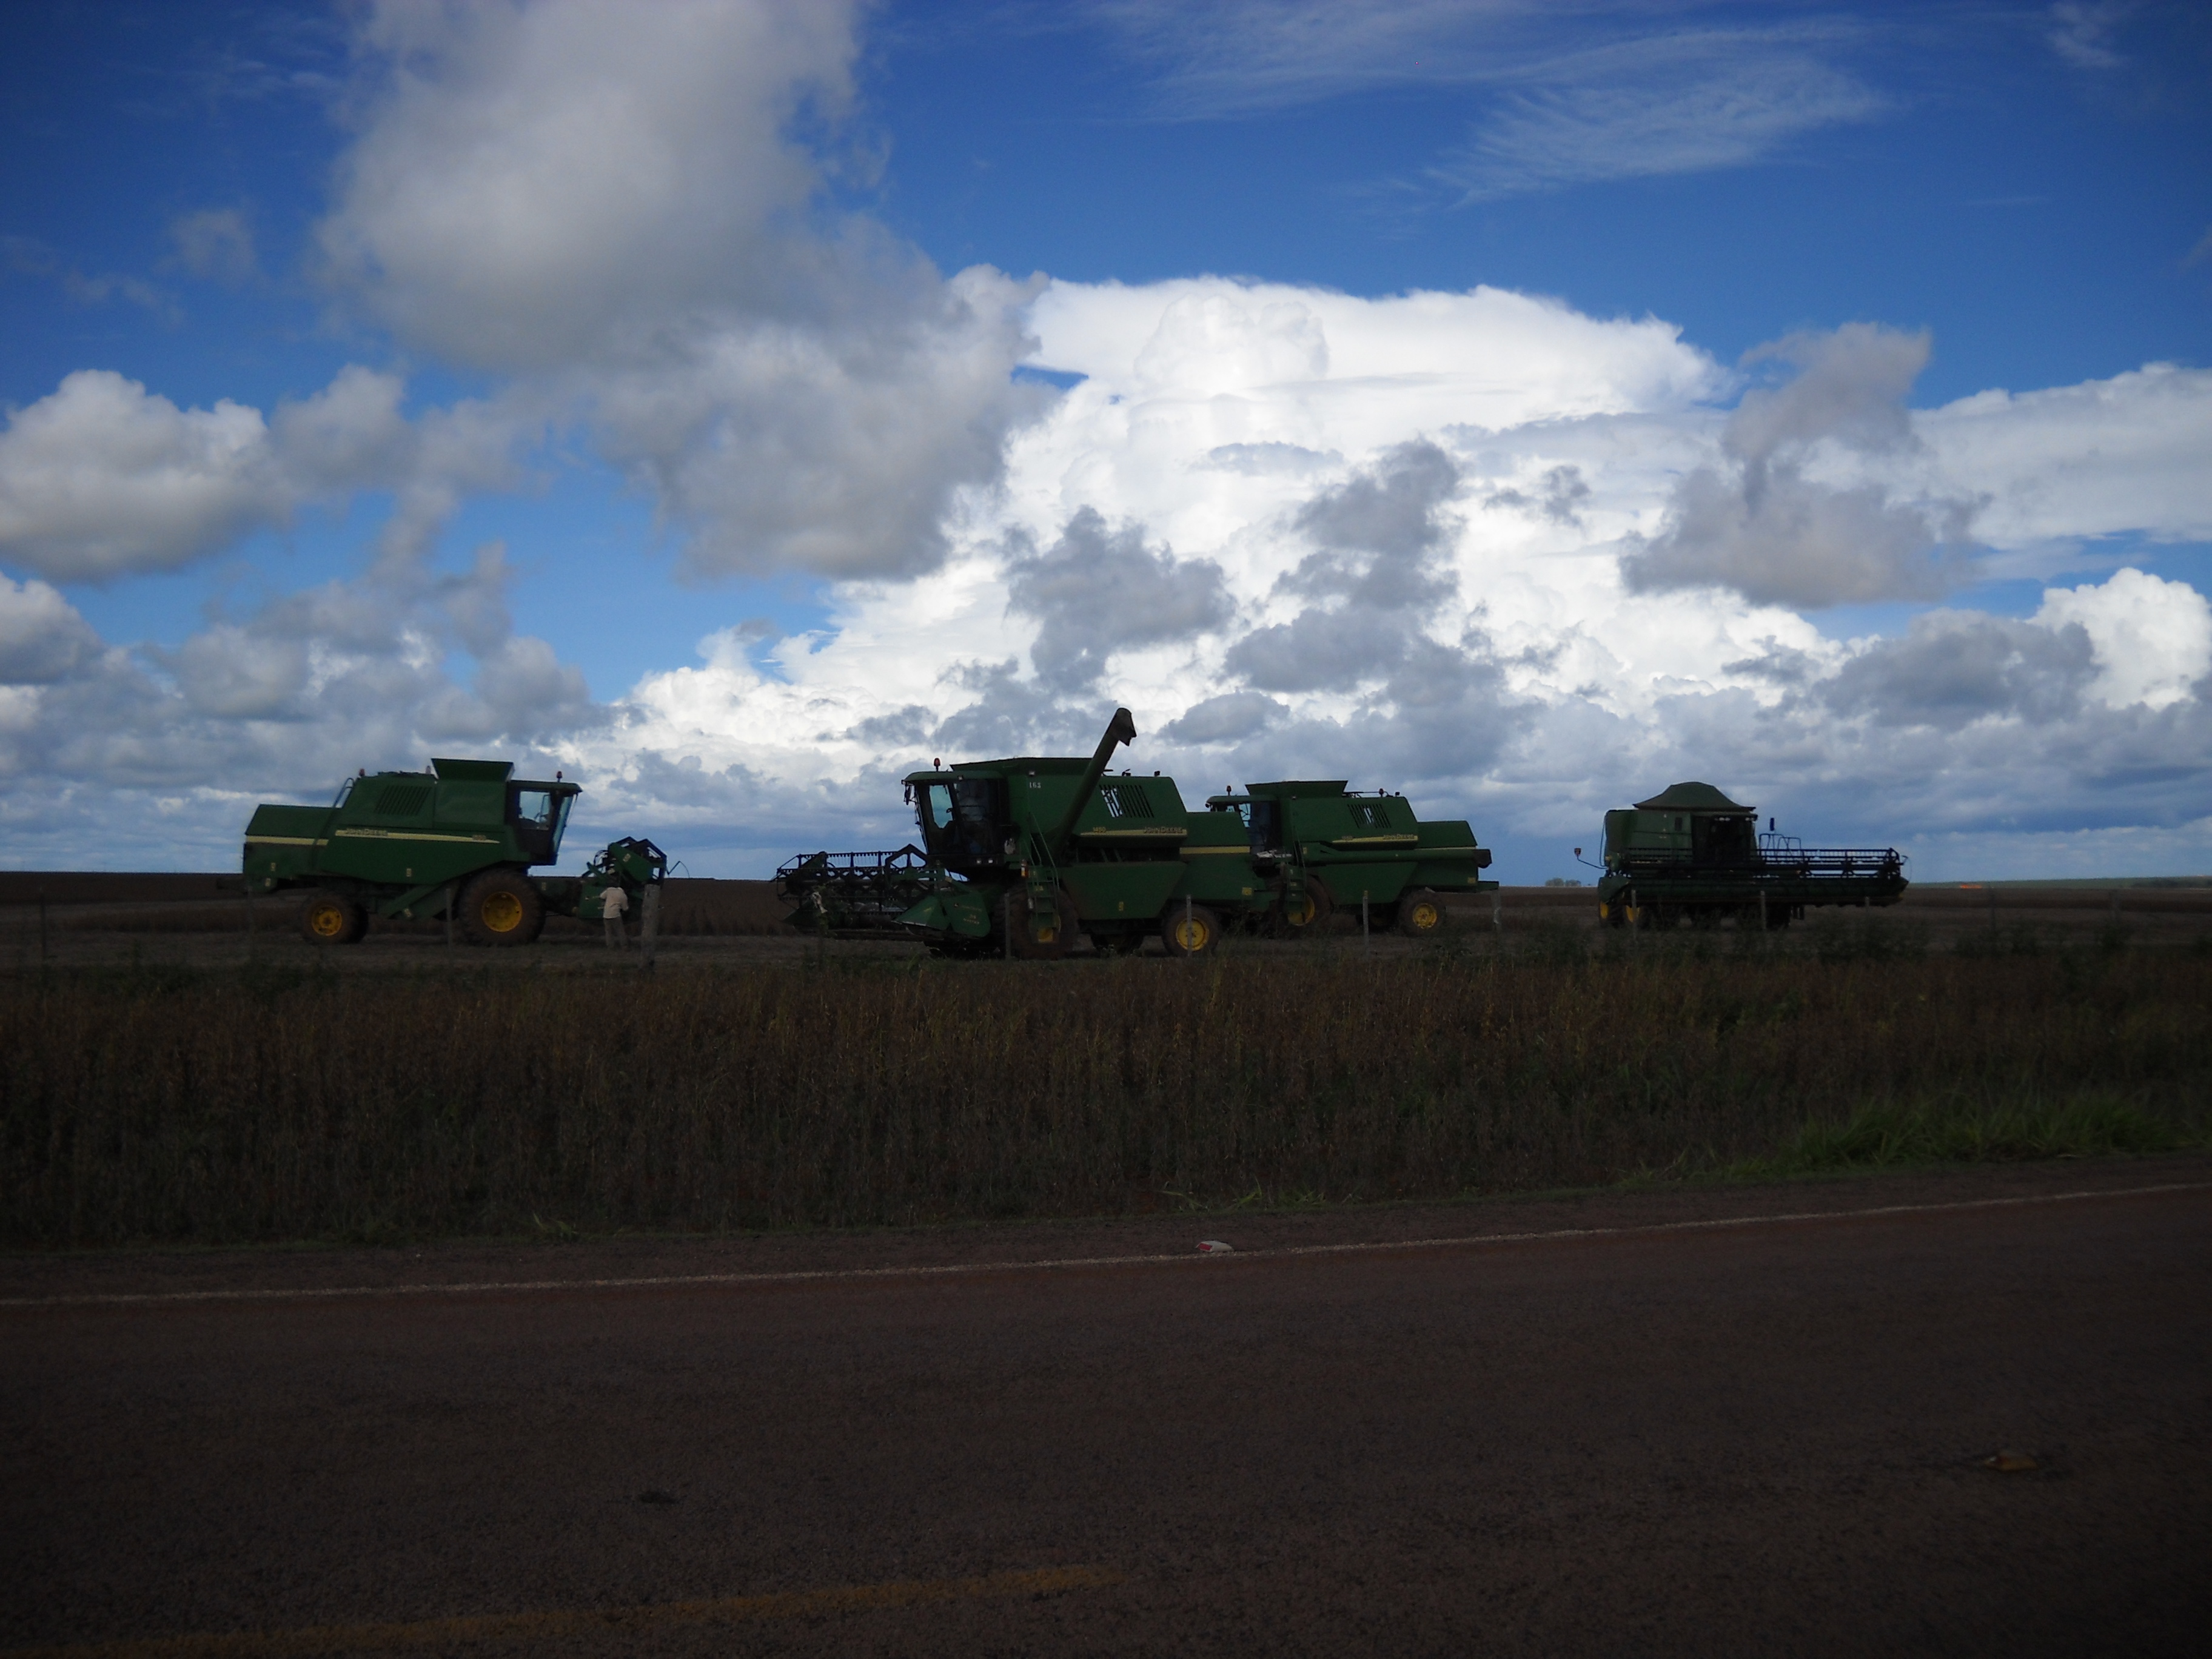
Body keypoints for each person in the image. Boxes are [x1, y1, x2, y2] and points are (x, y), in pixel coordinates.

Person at [602, 882, 629, 948]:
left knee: (608, 932)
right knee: (620, 931)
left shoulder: (609, 891)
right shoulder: (623, 896)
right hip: (616, 915)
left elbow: (601, 896)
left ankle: (610, 946)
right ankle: (624, 946)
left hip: (606, 914)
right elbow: (625, 909)